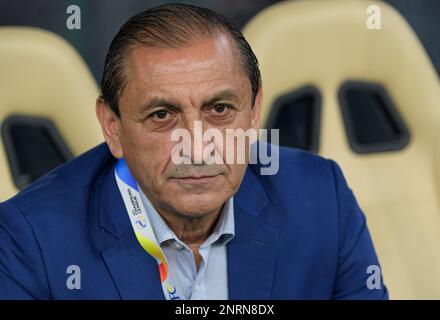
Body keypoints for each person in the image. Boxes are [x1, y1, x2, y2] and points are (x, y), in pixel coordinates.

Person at [0, 4, 388, 299]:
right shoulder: (29, 238)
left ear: (254, 113)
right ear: (112, 127)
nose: (197, 147)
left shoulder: (322, 197)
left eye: (219, 110)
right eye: (162, 115)